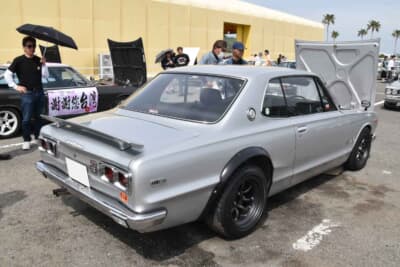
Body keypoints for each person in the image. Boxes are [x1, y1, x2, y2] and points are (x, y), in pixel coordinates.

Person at [4, 36, 49, 150]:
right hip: (27, 94)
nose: (32, 48)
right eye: (29, 46)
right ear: (24, 47)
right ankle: (26, 140)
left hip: (39, 92)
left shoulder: (38, 60)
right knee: (26, 119)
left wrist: (44, 64)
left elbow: (46, 76)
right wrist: (16, 86)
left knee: (39, 117)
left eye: (33, 46)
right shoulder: (19, 60)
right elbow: (7, 75)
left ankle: (38, 138)